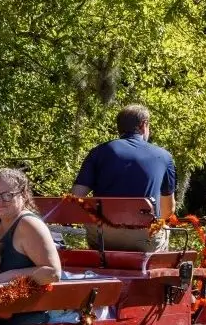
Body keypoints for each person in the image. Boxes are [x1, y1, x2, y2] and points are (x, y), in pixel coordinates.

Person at [72, 103, 176, 252]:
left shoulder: (98, 152)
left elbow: (76, 196)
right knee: (164, 228)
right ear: (143, 125)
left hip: (103, 236)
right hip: (145, 237)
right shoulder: (164, 157)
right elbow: (168, 210)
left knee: (95, 228)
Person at [0, 168, 75, 325]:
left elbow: (52, 273)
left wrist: (7, 276)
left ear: (23, 195)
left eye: (7, 195)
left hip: (25, 319)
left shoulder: (28, 224)